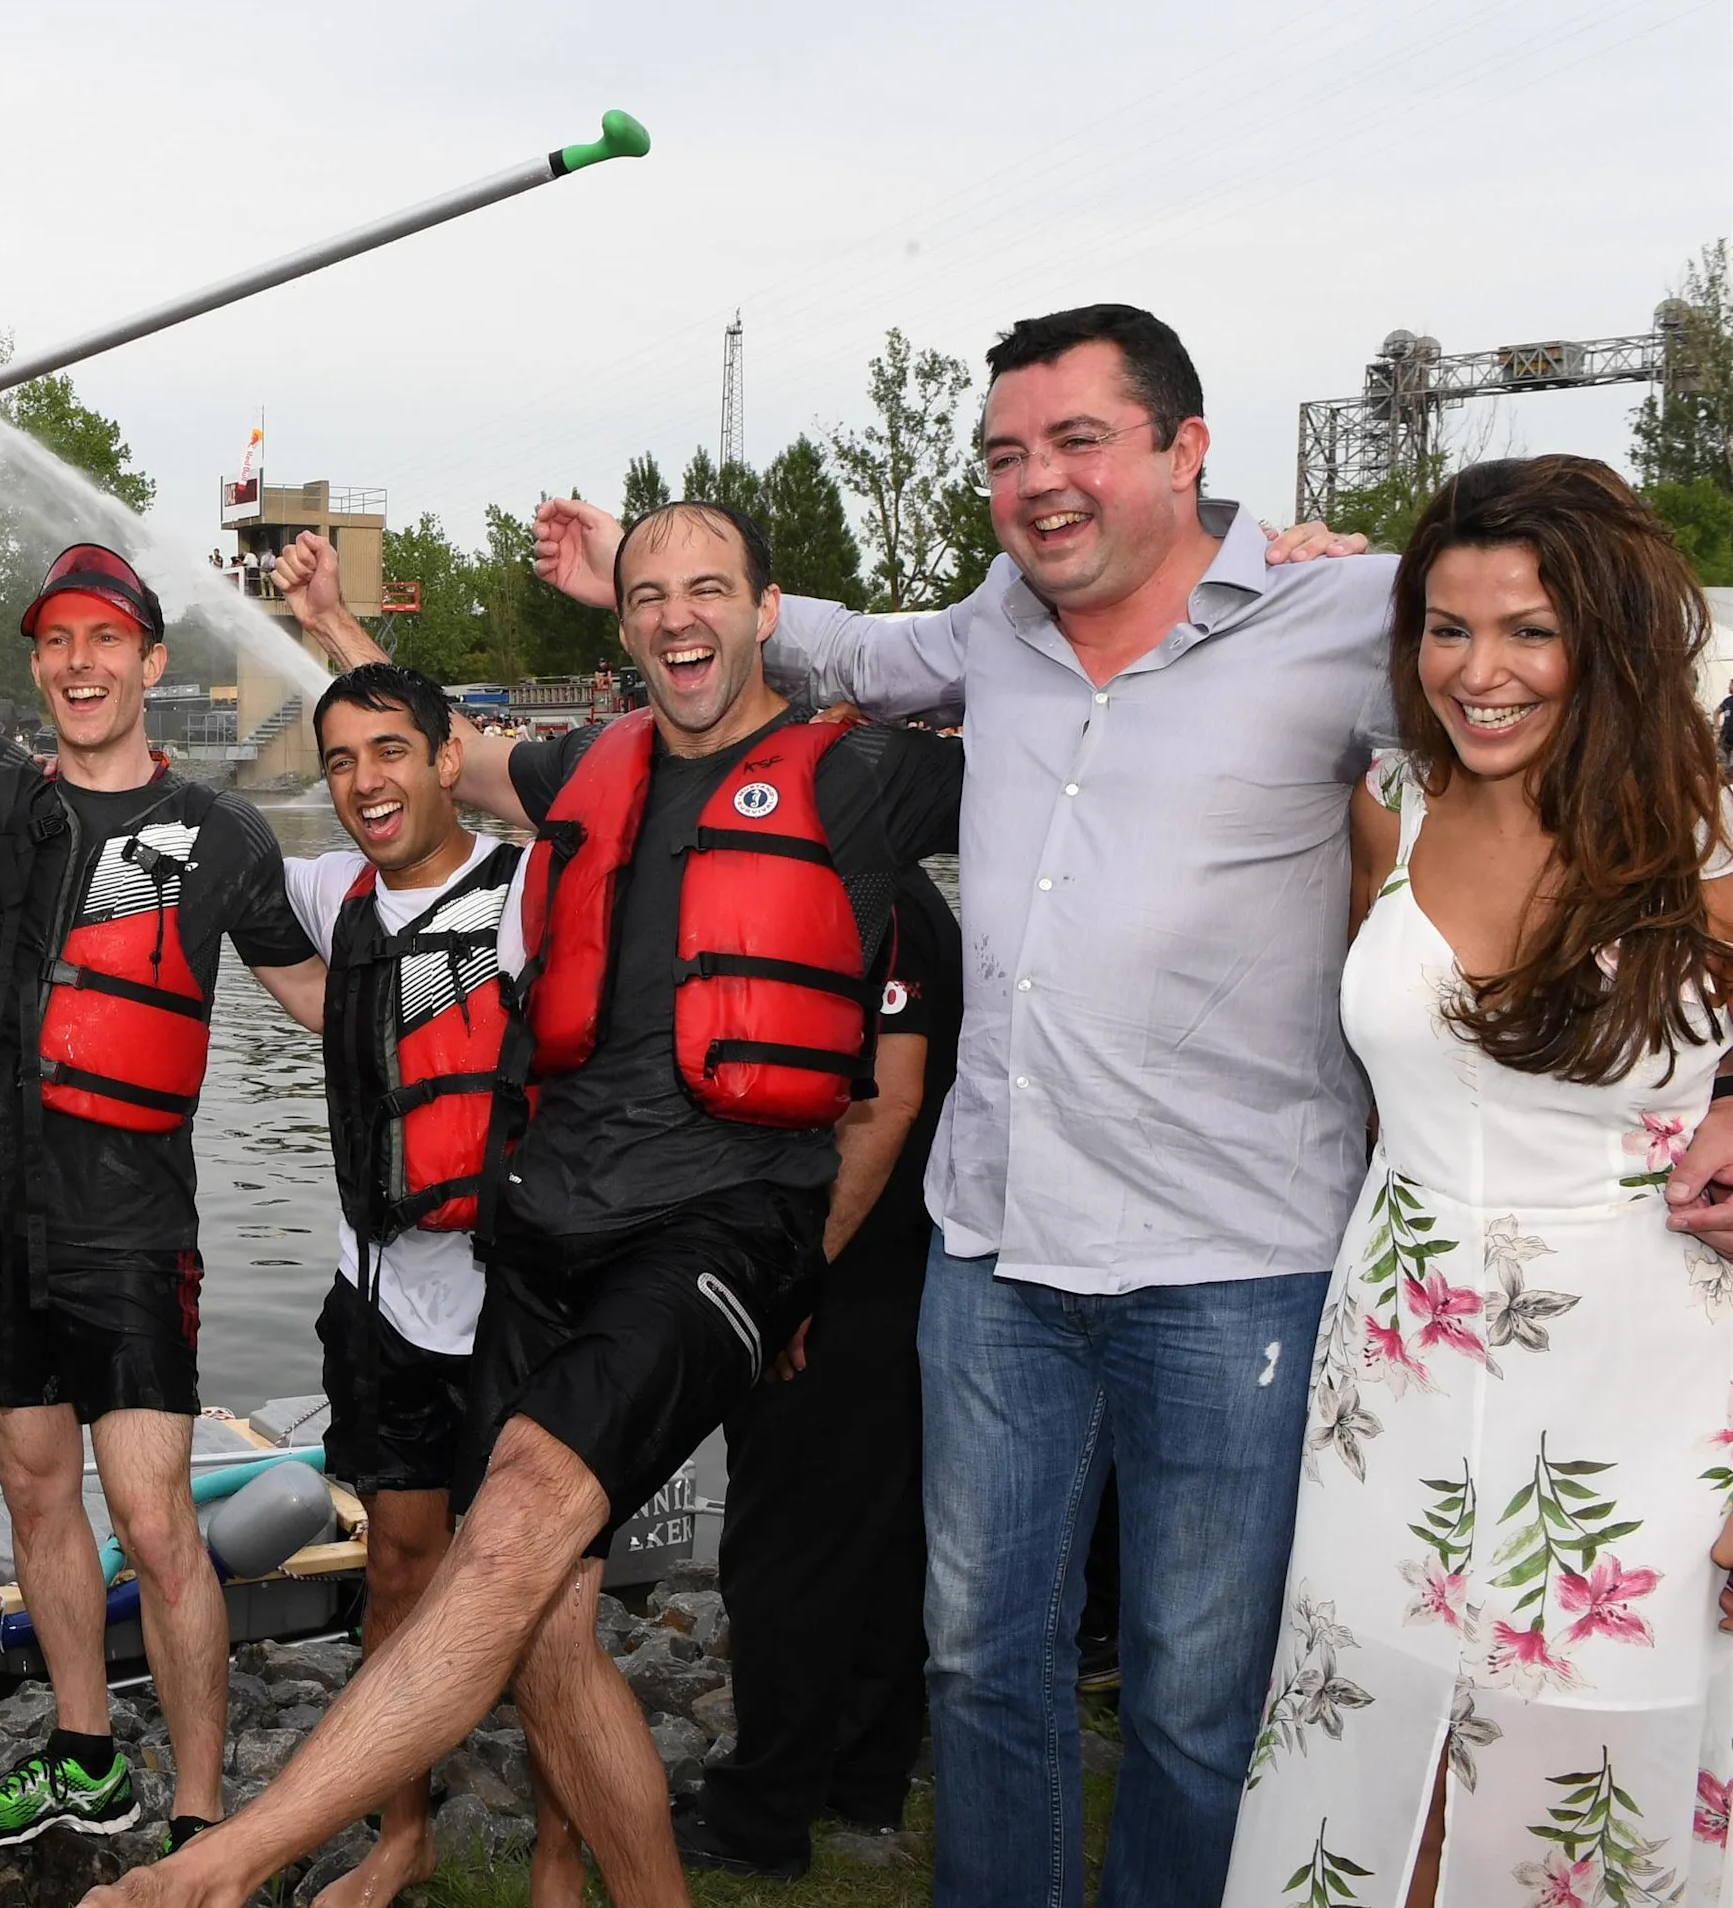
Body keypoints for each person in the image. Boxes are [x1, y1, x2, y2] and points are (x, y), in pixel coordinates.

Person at [516, 303, 1444, 1905]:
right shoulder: (993, 627)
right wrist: (630, 562)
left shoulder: (1342, 610)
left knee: (1196, 1697)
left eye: (1077, 441)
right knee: (979, 1664)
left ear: (1186, 450)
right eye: (1008, 454)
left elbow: (1571, 726)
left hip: (1238, 1266)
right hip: (998, 1252)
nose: (1038, 482)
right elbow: (838, 647)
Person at [86, 495, 960, 1908]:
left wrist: (1243, 581)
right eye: (650, 593)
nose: (680, 615)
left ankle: (228, 1864)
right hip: (546, 1235)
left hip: (719, 1225)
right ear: (620, 622)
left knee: (512, 1530)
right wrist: (325, 628)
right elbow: (434, 767)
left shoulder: (861, 779)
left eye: (711, 589)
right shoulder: (588, 767)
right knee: (542, 1625)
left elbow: (1061, 693)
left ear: (767, 608)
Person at [0, 408, 327, 1855]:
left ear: (152, 662)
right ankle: (85, 1756)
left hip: (130, 1226)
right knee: (36, 1490)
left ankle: (204, 1811)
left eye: (108, 639)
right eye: (57, 640)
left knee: (156, 1525)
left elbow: (318, 1002)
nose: (81, 662)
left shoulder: (225, 839)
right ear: (40, 663)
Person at [1221, 457, 1733, 1903]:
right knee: (1381, 1770)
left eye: (1527, 629)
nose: (1479, 670)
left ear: (1610, 642)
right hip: (1397, 1374)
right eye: (1447, 628)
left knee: (1581, 1803)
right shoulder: (1393, 799)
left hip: (1645, 1396)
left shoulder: (1702, 848)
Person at [266, 647, 595, 1908]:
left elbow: (580, 800)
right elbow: (204, 874)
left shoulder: (526, 894)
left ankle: (561, 1853)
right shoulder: (324, 895)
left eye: (390, 752)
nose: (363, 782)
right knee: (398, 1564)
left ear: (447, 755)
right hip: (384, 1294)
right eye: (339, 762)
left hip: (518, 1295)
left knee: (551, 1596)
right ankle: (397, 1832)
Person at [675, 855, 959, 1878]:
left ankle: (759, 1816)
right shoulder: (868, 889)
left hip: (838, 1265)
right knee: (874, 1538)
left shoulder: (878, 905)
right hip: (893, 1261)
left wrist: (790, 1280)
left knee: (780, 1544)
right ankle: (861, 1778)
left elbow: (883, 1103)